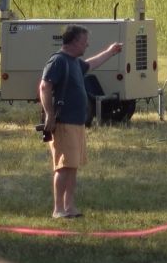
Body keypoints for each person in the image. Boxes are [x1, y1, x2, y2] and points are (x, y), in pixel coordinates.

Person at [38, 26, 120, 221]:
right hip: (64, 123)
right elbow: (44, 86)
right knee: (63, 167)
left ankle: (70, 206)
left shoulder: (74, 62)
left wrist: (110, 52)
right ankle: (58, 209)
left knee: (72, 166)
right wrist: (49, 114)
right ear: (74, 42)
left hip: (77, 123)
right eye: (84, 41)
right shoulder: (58, 61)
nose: (87, 44)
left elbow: (91, 64)